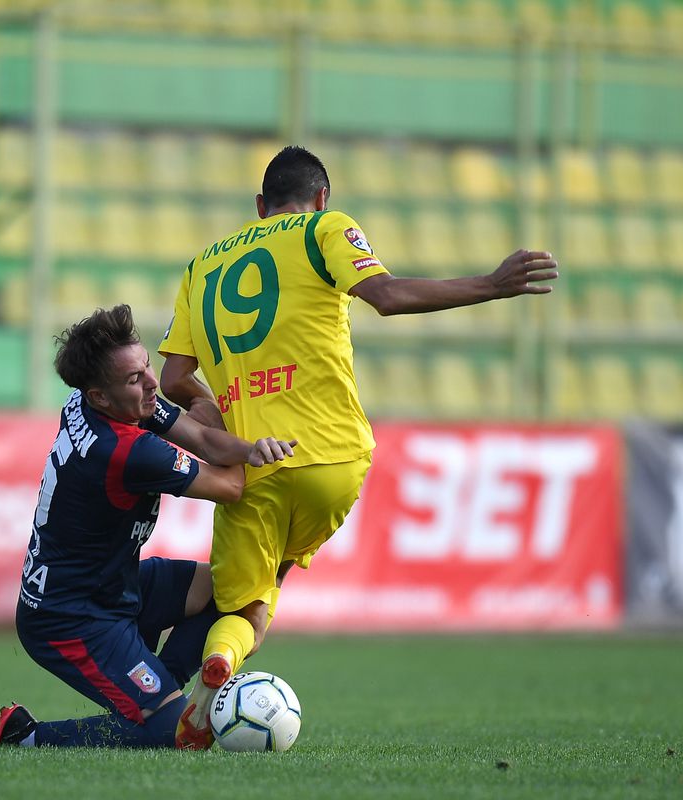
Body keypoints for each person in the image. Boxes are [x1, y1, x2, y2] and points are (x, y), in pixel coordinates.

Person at [158, 145, 560, 749]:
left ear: (260, 205)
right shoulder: (326, 228)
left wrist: (210, 407)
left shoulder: (201, 266)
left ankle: (211, 671)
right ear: (322, 198)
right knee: (270, 587)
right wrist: (492, 285)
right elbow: (388, 296)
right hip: (333, 456)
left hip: (249, 464)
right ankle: (208, 689)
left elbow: (173, 379)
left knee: (245, 609)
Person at [0, 305, 295, 748]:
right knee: (170, 732)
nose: (152, 383)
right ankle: (23, 736)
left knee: (231, 589)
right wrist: (235, 426)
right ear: (100, 396)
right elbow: (230, 485)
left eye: (148, 366)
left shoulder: (101, 404)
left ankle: (158, 697)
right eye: (135, 378)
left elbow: (204, 438)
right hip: (70, 619)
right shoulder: (126, 450)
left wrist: (237, 438)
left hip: (111, 585)